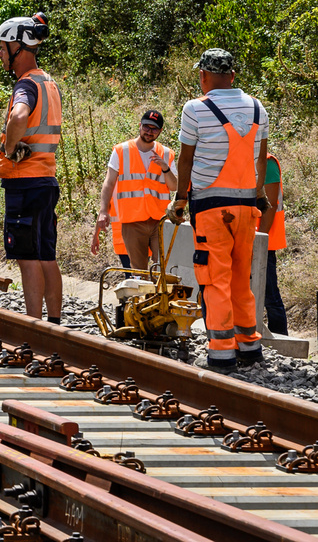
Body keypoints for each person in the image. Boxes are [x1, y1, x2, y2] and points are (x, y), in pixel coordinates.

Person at [172, 48, 269, 371]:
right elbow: (261, 160)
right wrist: (258, 196)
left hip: (212, 206)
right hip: (246, 206)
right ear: (232, 75)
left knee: (215, 278)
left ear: (203, 75)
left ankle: (222, 351)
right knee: (242, 275)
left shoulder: (195, 109)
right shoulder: (258, 108)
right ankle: (249, 346)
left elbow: (185, 159)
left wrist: (180, 199)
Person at [0, 12, 63, 322]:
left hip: (25, 182)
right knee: (47, 255)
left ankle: (34, 326)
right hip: (46, 180)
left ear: (17, 49)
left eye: (2, 47)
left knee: (26, 257)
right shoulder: (48, 82)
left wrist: (9, 148)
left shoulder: (26, 85)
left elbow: (19, 116)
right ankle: (55, 323)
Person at [94, 109, 176, 271]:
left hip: (159, 221)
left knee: (163, 270)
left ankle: (161, 297)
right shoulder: (121, 151)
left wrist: (165, 168)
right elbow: (109, 183)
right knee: (138, 273)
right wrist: (103, 210)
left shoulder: (166, 154)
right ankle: (142, 297)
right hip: (132, 221)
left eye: (154, 129)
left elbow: (174, 186)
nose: (149, 131)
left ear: (160, 131)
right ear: (140, 125)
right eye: (146, 126)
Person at [264, 150, 288, 337]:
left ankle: (281, 339)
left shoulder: (268, 163)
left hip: (264, 242)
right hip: (245, 239)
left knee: (270, 296)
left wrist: (259, 240)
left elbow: (271, 204)